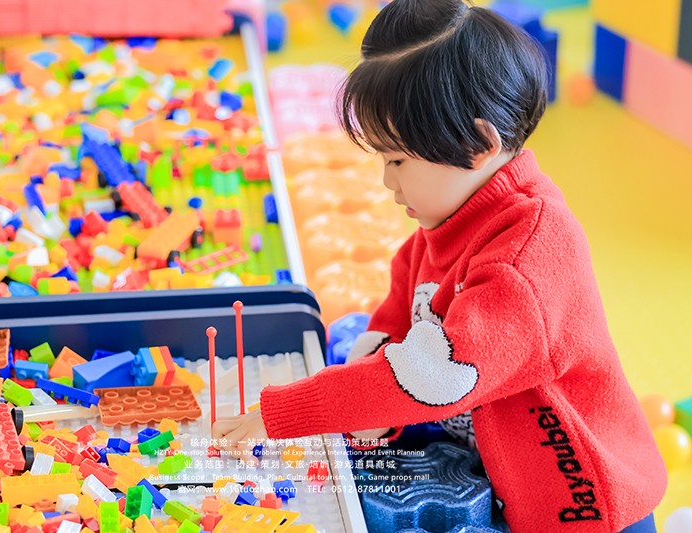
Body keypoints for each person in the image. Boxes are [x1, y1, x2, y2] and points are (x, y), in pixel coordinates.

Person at [212, 1, 666, 531]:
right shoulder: (447, 223)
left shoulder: (528, 261)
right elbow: (397, 319)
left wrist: (282, 413)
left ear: (479, 144)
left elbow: (429, 375)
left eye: (397, 160)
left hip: (582, 505)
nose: (387, 181)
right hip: (500, 474)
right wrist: (366, 401)